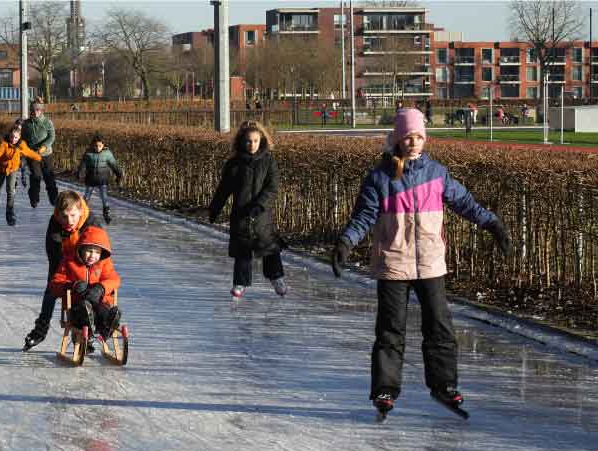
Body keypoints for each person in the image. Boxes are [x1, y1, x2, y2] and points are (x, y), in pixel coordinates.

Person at [329, 108, 511, 417]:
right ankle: (385, 388)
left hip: (429, 262)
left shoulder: (437, 174)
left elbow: (465, 203)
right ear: (397, 140)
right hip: (394, 263)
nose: (413, 143)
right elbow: (363, 217)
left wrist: (493, 224)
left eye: (418, 137)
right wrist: (346, 242)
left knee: (439, 327)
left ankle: (444, 385)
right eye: (407, 137)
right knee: (390, 330)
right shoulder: (380, 178)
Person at [208, 120, 287, 299]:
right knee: (242, 250)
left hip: (262, 215)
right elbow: (224, 188)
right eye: (249, 141)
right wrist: (215, 208)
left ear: (262, 141)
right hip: (241, 214)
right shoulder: (234, 164)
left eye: (256, 141)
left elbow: (272, 187)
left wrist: (260, 205)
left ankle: (277, 279)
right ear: (242, 141)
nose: (252, 145)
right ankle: (240, 282)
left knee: (269, 248)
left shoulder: (268, 161)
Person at [24, 190, 103, 350]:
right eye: (64, 216)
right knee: (51, 289)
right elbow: (54, 257)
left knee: (93, 291)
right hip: (64, 264)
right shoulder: (54, 224)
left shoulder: (92, 222)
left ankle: (84, 330)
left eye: (73, 215)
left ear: (80, 211)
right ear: (58, 215)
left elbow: (101, 250)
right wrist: (64, 282)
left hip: (88, 264)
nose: (69, 221)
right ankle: (41, 329)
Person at [47, 226, 122, 341]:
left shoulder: (104, 263)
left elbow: (114, 279)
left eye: (97, 252)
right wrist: (72, 285)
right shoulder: (69, 262)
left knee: (103, 311)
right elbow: (55, 283)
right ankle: (89, 331)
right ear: (81, 249)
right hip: (76, 305)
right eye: (89, 251)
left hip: (99, 303)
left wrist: (101, 288)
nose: (93, 256)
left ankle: (109, 324)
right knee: (84, 309)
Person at [0, 125, 42, 226]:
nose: (13, 139)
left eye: (16, 137)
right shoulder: (4, 145)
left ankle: (10, 211)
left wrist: (40, 158)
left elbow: (29, 153)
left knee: (11, 190)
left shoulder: (22, 145)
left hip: (12, 169)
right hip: (1, 168)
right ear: (9, 135)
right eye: (12, 136)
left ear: (19, 137)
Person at [76, 133, 123, 225]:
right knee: (86, 197)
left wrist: (119, 174)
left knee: (104, 197)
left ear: (103, 145)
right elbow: (83, 164)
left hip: (102, 179)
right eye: (96, 146)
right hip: (91, 179)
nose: (98, 148)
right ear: (92, 145)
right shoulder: (88, 153)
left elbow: (114, 165)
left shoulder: (107, 154)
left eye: (100, 146)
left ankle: (106, 214)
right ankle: (81, 214)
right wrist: (80, 172)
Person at [21, 99, 58, 208]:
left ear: (41, 111)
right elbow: (23, 139)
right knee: (36, 176)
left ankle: (54, 199)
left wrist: (44, 146)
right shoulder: (27, 124)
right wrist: (24, 151)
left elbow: (52, 137)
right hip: (33, 155)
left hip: (46, 154)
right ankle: (34, 198)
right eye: (33, 110)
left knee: (49, 177)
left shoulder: (47, 122)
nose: (35, 112)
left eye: (38, 110)